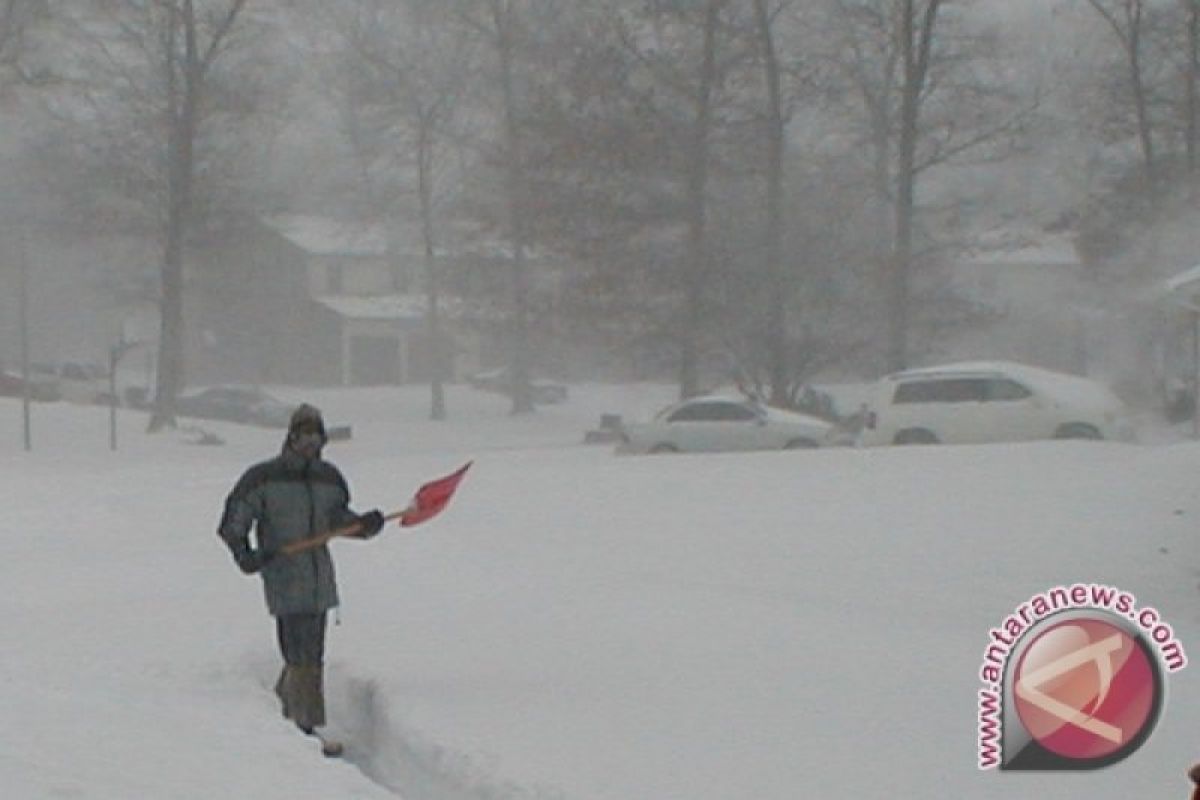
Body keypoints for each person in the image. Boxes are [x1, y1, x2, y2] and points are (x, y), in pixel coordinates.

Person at [217, 403, 384, 744]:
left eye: (316, 438)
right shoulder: (263, 478)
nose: (310, 444)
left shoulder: (330, 479)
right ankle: (304, 728)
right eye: (303, 437)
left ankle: (285, 710)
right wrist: (245, 555)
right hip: (283, 574)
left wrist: (364, 526)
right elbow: (232, 523)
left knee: (310, 651)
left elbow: (336, 521)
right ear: (290, 438)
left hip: (318, 577)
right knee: (299, 651)